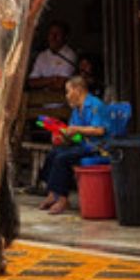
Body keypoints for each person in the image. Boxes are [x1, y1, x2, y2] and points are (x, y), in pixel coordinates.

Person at [40, 75, 107, 215]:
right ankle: (52, 193)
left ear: (77, 90)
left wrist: (76, 130)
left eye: (68, 91)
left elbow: (100, 130)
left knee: (63, 158)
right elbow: (72, 135)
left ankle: (63, 198)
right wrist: (61, 137)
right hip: (82, 145)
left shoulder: (95, 104)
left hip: (97, 148)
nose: (67, 95)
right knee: (54, 153)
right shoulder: (76, 109)